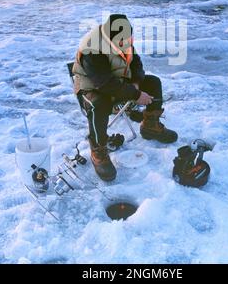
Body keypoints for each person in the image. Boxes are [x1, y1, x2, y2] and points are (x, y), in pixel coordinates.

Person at [72, 14, 178, 181]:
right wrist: (135, 95)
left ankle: (150, 126)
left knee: (153, 83)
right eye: (122, 42)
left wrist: (135, 83)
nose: (127, 43)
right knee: (98, 104)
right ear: (109, 38)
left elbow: (136, 63)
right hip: (92, 87)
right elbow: (104, 84)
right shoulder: (91, 49)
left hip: (118, 82)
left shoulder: (123, 37)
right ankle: (98, 150)